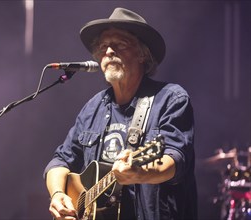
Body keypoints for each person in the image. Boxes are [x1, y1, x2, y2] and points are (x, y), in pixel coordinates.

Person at [44, 7, 197, 220]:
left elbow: (176, 160)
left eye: (120, 44)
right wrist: (58, 194)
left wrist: (140, 173)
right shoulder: (93, 108)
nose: (108, 51)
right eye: (104, 46)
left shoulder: (170, 98)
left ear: (143, 54)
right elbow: (60, 161)